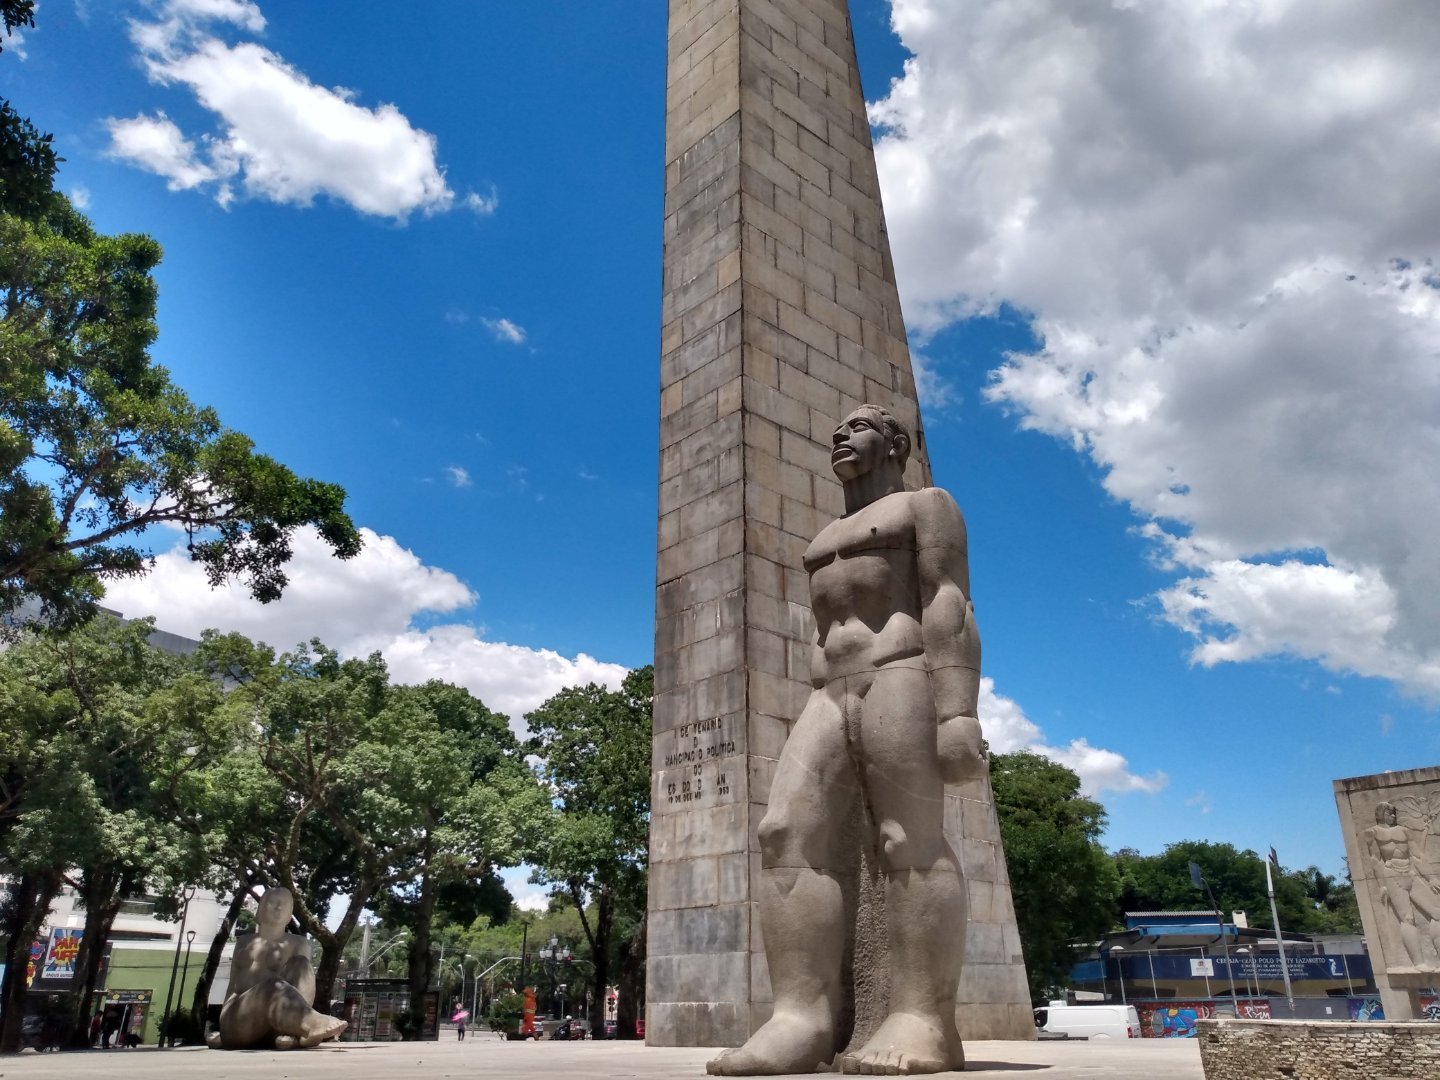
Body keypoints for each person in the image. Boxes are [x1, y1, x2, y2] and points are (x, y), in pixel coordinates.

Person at [709, 405, 985, 1077]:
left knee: (907, 838)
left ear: (895, 444)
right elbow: (822, 624)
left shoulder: (926, 504)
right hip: (829, 689)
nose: (840, 433)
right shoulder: (828, 532)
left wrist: (958, 714)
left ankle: (923, 1017)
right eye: (837, 426)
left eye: (859, 425)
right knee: (783, 832)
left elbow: (949, 601)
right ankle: (800, 1017)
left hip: (901, 673)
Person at [207, 887, 348, 1050]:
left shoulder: (298, 943)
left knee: (301, 964)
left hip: (276, 1025)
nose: (278, 907)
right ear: (261, 907)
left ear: (290, 913)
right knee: (273, 987)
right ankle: (310, 1024)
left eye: (284, 904)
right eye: (273, 902)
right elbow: (233, 986)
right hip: (240, 1019)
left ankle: (298, 1030)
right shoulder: (245, 942)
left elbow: (302, 983)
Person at [1365, 801, 1440, 968]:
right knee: (1407, 918)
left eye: (1394, 813)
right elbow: (1375, 860)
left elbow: (1418, 856)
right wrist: (1381, 885)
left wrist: (1431, 878)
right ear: (1381, 813)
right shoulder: (1373, 832)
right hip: (1391, 875)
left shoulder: (1404, 831)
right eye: (1389, 813)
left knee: (1436, 913)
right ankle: (1419, 963)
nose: (1393, 816)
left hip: (1410, 873)